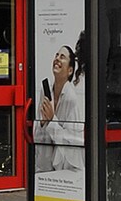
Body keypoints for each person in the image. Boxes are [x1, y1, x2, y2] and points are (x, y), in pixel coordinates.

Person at [35, 40, 85, 175]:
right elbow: (37, 134)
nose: (57, 58)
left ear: (69, 70)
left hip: (68, 170)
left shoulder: (71, 99)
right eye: (56, 55)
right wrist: (43, 122)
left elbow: (74, 142)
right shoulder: (45, 92)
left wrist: (52, 121)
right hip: (45, 166)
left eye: (62, 57)